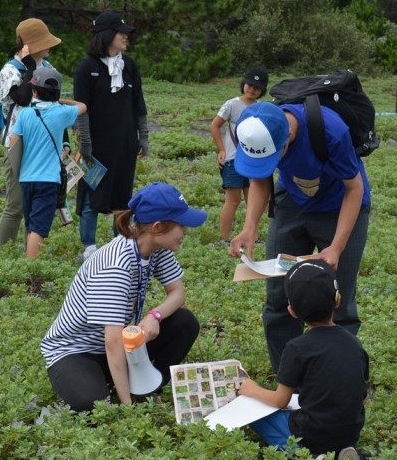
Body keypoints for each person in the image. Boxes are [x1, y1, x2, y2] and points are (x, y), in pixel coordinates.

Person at [228, 101, 371, 373]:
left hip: (340, 205)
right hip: (292, 202)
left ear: (288, 138)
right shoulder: (252, 126)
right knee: (279, 296)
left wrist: (336, 247)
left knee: (338, 300)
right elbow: (260, 178)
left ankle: (339, 377)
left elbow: (354, 189)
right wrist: (250, 228)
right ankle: (290, 377)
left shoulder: (331, 130)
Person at [40, 183, 207, 410]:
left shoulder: (156, 247)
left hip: (121, 343)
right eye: (182, 224)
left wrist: (154, 316)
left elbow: (178, 293)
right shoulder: (116, 265)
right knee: (92, 405)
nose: (186, 230)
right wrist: (127, 407)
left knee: (184, 322)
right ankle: (121, 390)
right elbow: (112, 341)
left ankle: (145, 389)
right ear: (158, 227)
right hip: (77, 350)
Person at [239, 260, 370, 459]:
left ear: (291, 311)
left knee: (257, 415)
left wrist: (251, 389)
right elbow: (362, 397)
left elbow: (280, 401)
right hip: (350, 432)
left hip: (311, 434)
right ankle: (343, 451)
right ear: (338, 300)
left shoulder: (296, 348)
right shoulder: (353, 342)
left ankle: (310, 454)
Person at [73, 9, 149, 260]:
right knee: (91, 196)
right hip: (94, 145)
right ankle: (89, 248)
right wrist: (85, 143)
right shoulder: (87, 68)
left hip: (125, 143)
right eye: (121, 33)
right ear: (107, 35)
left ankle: (118, 246)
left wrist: (143, 136)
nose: (126, 38)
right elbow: (80, 109)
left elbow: (139, 103)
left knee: (122, 195)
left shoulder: (129, 65)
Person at [0, 18, 62, 247]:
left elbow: (55, 102)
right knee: (17, 203)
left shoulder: (48, 69)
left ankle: (29, 253)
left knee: (36, 200)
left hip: (43, 139)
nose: (49, 46)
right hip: (18, 140)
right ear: (29, 45)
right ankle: (5, 254)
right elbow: (22, 97)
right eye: (44, 41)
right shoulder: (10, 70)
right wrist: (29, 65)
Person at [9, 67, 87, 258]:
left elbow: (13, 144)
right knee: (39, 227)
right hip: (48, 179)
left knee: (30, 223)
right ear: (57, 92)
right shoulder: (61, 113)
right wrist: (59, 101)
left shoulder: (25, 114)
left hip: (26, 178)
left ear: (34, 91)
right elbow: (83, 106)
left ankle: (28, 259)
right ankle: (30, 268)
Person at [209, 67, 268, 243]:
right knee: (232, 201)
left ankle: (252, 236)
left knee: (253, 203)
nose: (252, 89)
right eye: (250, 85)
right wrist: (221, 149)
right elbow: (214, 126)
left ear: (262, 91)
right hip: (233, 160)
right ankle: (224, 238)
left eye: (257, 87)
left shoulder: (261, 108)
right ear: (243, 84)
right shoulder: (232, 104)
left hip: (252, 161)